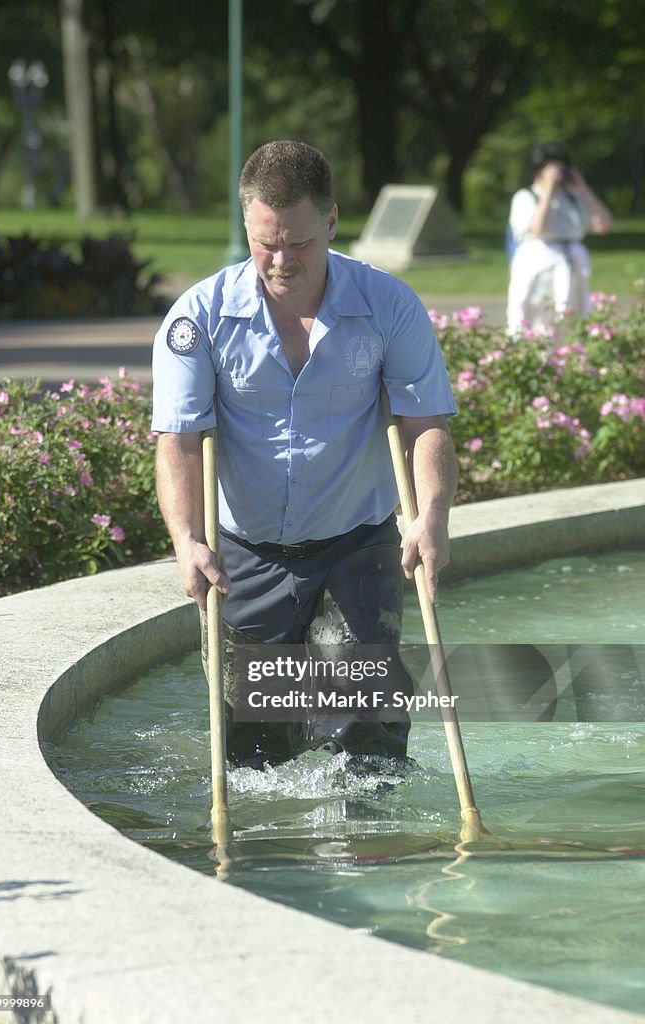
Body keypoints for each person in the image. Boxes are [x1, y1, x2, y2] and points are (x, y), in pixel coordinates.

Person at [151, 140, 458, 769]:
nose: (281, 260)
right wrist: (186, 540)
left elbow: (423, 421)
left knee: (365, 740)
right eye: (266, 242)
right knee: (255, 755)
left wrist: (432, 515)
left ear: (332, 221)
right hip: (246, 553)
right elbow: (179, 440)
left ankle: (368, 853)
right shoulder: (199, 318)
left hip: (358, 542)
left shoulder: (387, 305)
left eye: (299, 243)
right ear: (246, 225)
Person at [506, 142, 612, 336]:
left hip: (572, 266)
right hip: (539, 268)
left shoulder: (572, 198)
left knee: (571, 318)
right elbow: (537, 228)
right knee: (539, 319)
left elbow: (603, 224)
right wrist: (547, 189)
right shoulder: (525, 197)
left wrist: (583, 189)